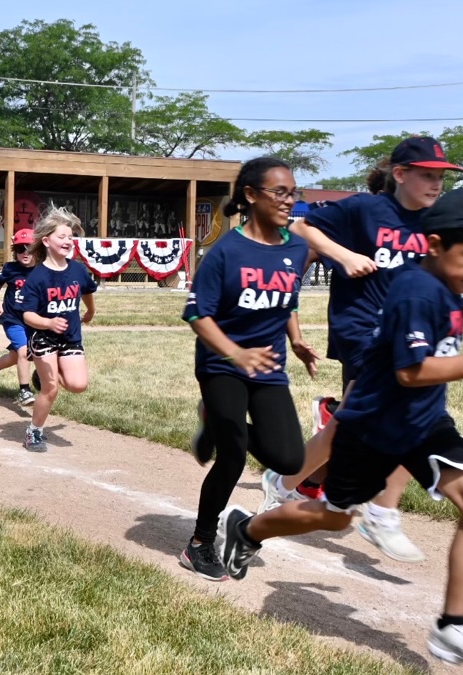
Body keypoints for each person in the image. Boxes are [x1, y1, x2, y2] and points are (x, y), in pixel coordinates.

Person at [220, 190, 463, 675]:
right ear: (433, 245)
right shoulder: (415, 290)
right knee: (334, 518)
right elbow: (411, 372)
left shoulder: (449, 287)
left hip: (424, 424)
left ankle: (454, 626)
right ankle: (246, 528)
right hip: (372, 429)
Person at [257, 136, 463, 563]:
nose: (435, 183)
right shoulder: (365, 210)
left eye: (441, 176)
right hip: (363, 329)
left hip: (408, 331)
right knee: (412, 412)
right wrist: (345, 255)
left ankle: (284, 480)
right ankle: (379, 511)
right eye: (427, 174)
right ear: (400, 175)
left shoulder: (435, 220)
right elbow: (299, 226)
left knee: (353, 426)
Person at [179, 158, 319, 581]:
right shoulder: (225, 251)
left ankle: (218, 423)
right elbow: (196, 314)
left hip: (269, 367)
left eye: (293, 193)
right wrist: (236, 354)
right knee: (233, 455)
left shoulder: (294, 247)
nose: (288, 201)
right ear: (251, 196)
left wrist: (295, 340)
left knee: (289, 456)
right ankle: (200, 544)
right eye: (280, 192)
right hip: (222, 365)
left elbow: (287, 299)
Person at [17, 207, 97, 452]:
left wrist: (90, 311)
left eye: (70, 237)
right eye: (61, 236)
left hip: (70, 337)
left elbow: (86, 290)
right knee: (50, 390)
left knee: (78, 385)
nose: (67, 241)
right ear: (46, 241)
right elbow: (27, 315)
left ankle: (40, 375)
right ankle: (34, 432)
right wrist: (49, 323)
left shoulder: (77, 270)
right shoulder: (38, 277)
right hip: (43, 338)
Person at [0, 227, 38, 407]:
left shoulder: (43, 269)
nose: (25, 252)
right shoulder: (10, 268)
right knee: (24, 352)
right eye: (20, 249)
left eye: (29, 248)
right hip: (12, 318)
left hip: (35, 320)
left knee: (18, 356)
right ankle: (24, 390)